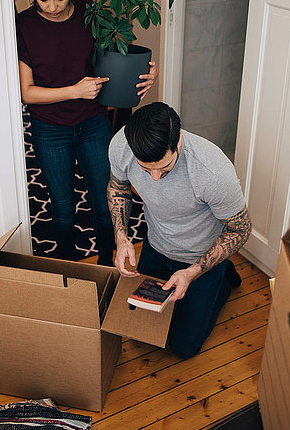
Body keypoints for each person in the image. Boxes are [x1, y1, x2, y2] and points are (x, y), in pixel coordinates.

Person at [16, 0, 157, 264]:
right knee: (63, 208)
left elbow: (119, 60)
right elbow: (27, 93)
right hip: (48, 128)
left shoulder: (92, 14)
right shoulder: (23, 25)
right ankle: (70, 273)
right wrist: (75, 90)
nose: (51, 7)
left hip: (93, 123)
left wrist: (145, 73)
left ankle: (108, 267)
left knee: (104, 202)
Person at [107, 102, 252, 359]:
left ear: (179, 140)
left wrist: (194, 272)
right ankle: (218, 273)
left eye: (164, 168)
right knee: (143, 332)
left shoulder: (212, 172)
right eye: (145, 169)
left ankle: (220, 275)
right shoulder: (122, 144)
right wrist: (122, 237)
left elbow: (240, 229)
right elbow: (118, 187)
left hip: (199, 256)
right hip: (156, 244)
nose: (153, 178)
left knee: (183, 347)